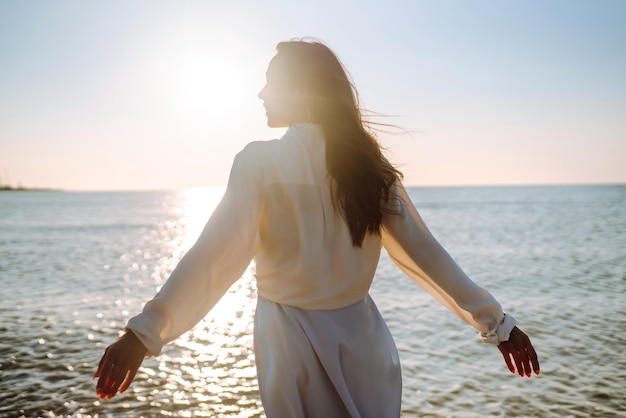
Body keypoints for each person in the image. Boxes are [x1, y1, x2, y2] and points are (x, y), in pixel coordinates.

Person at [95, 39, 540, 417]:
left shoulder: (260, 163)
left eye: (271, 81)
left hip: (291, 351)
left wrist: (144, 333)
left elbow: (213, 259)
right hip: (366, 350)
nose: (260, 93)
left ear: (302, 90)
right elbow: (426, 255)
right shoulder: (370, 169)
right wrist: (497, 324)